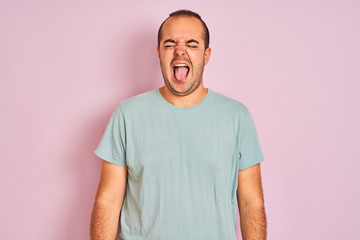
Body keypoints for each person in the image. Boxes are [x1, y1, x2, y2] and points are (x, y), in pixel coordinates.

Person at [90, 9, 267, 240]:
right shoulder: (127, 115)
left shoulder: (237, 116)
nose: (180, 50)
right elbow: (108, 201)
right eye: (170, 43)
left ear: (206, 55)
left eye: (192, 44)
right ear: (159, 53)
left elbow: (250, 203)